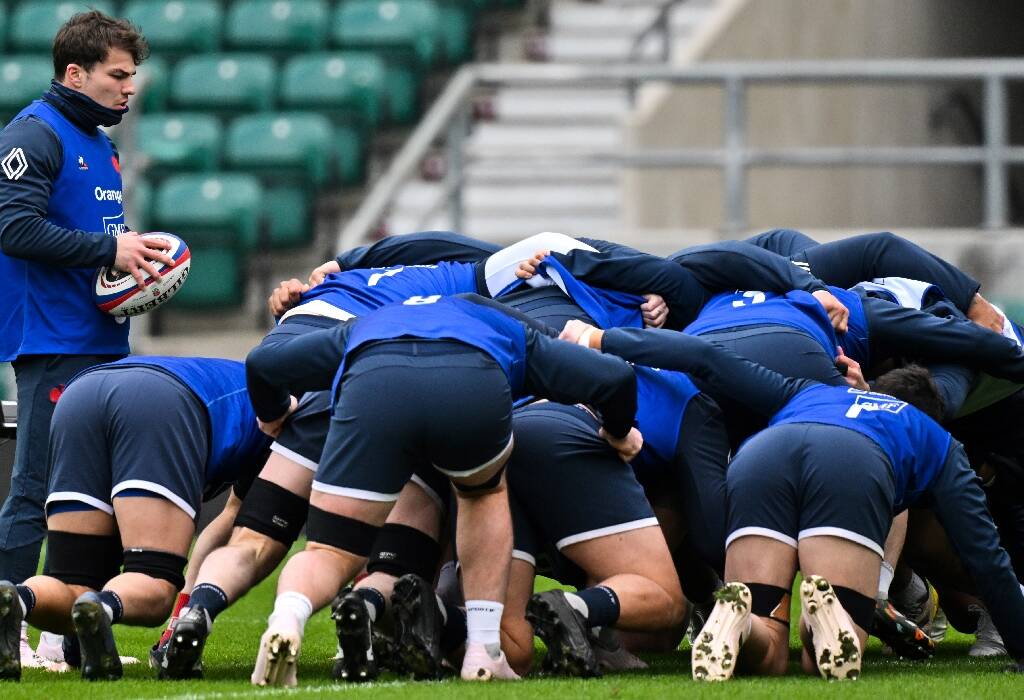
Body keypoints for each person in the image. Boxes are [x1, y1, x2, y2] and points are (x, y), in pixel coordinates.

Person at [562, 320, 1024, 681]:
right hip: (851, 464)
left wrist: (604, 338)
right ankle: (824, 621)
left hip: (763, 455)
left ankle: (743, 624)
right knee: (836, 654)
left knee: (767, 643)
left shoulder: (808, 390)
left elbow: (704, 356)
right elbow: (985, 556)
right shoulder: (935, 437)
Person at [244, 294, 641, 686]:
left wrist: (273, 414)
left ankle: (288, 618)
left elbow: (263, 364)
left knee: (329, 552)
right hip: (469, 382)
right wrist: (618, 431)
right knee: (482, 494)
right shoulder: (507, 327)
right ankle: (483, 650)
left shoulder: (367, 323)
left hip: (375, 382)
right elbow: (615, 378)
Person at [0, 10, 173, 598]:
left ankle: (66, 629)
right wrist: (111, 249)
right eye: (118, 74)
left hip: (99, 338)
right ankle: (9, 629)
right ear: (75, 73)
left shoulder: (102, 143)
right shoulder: (34, 133)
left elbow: (97, 241)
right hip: (51, 342)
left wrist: (134, 275)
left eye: (132, 75)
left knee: (93, 490)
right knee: (35, 487)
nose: (130, 86)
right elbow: (15, 231)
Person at [0, 356, 270, 681]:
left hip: (81, 394)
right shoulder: (291, 410)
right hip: (160, 404)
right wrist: (187, 610)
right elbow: (235, 521)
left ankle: (18, 599)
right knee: (153, 583)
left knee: (72, 584)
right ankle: (102, 606)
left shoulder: (248, 377)